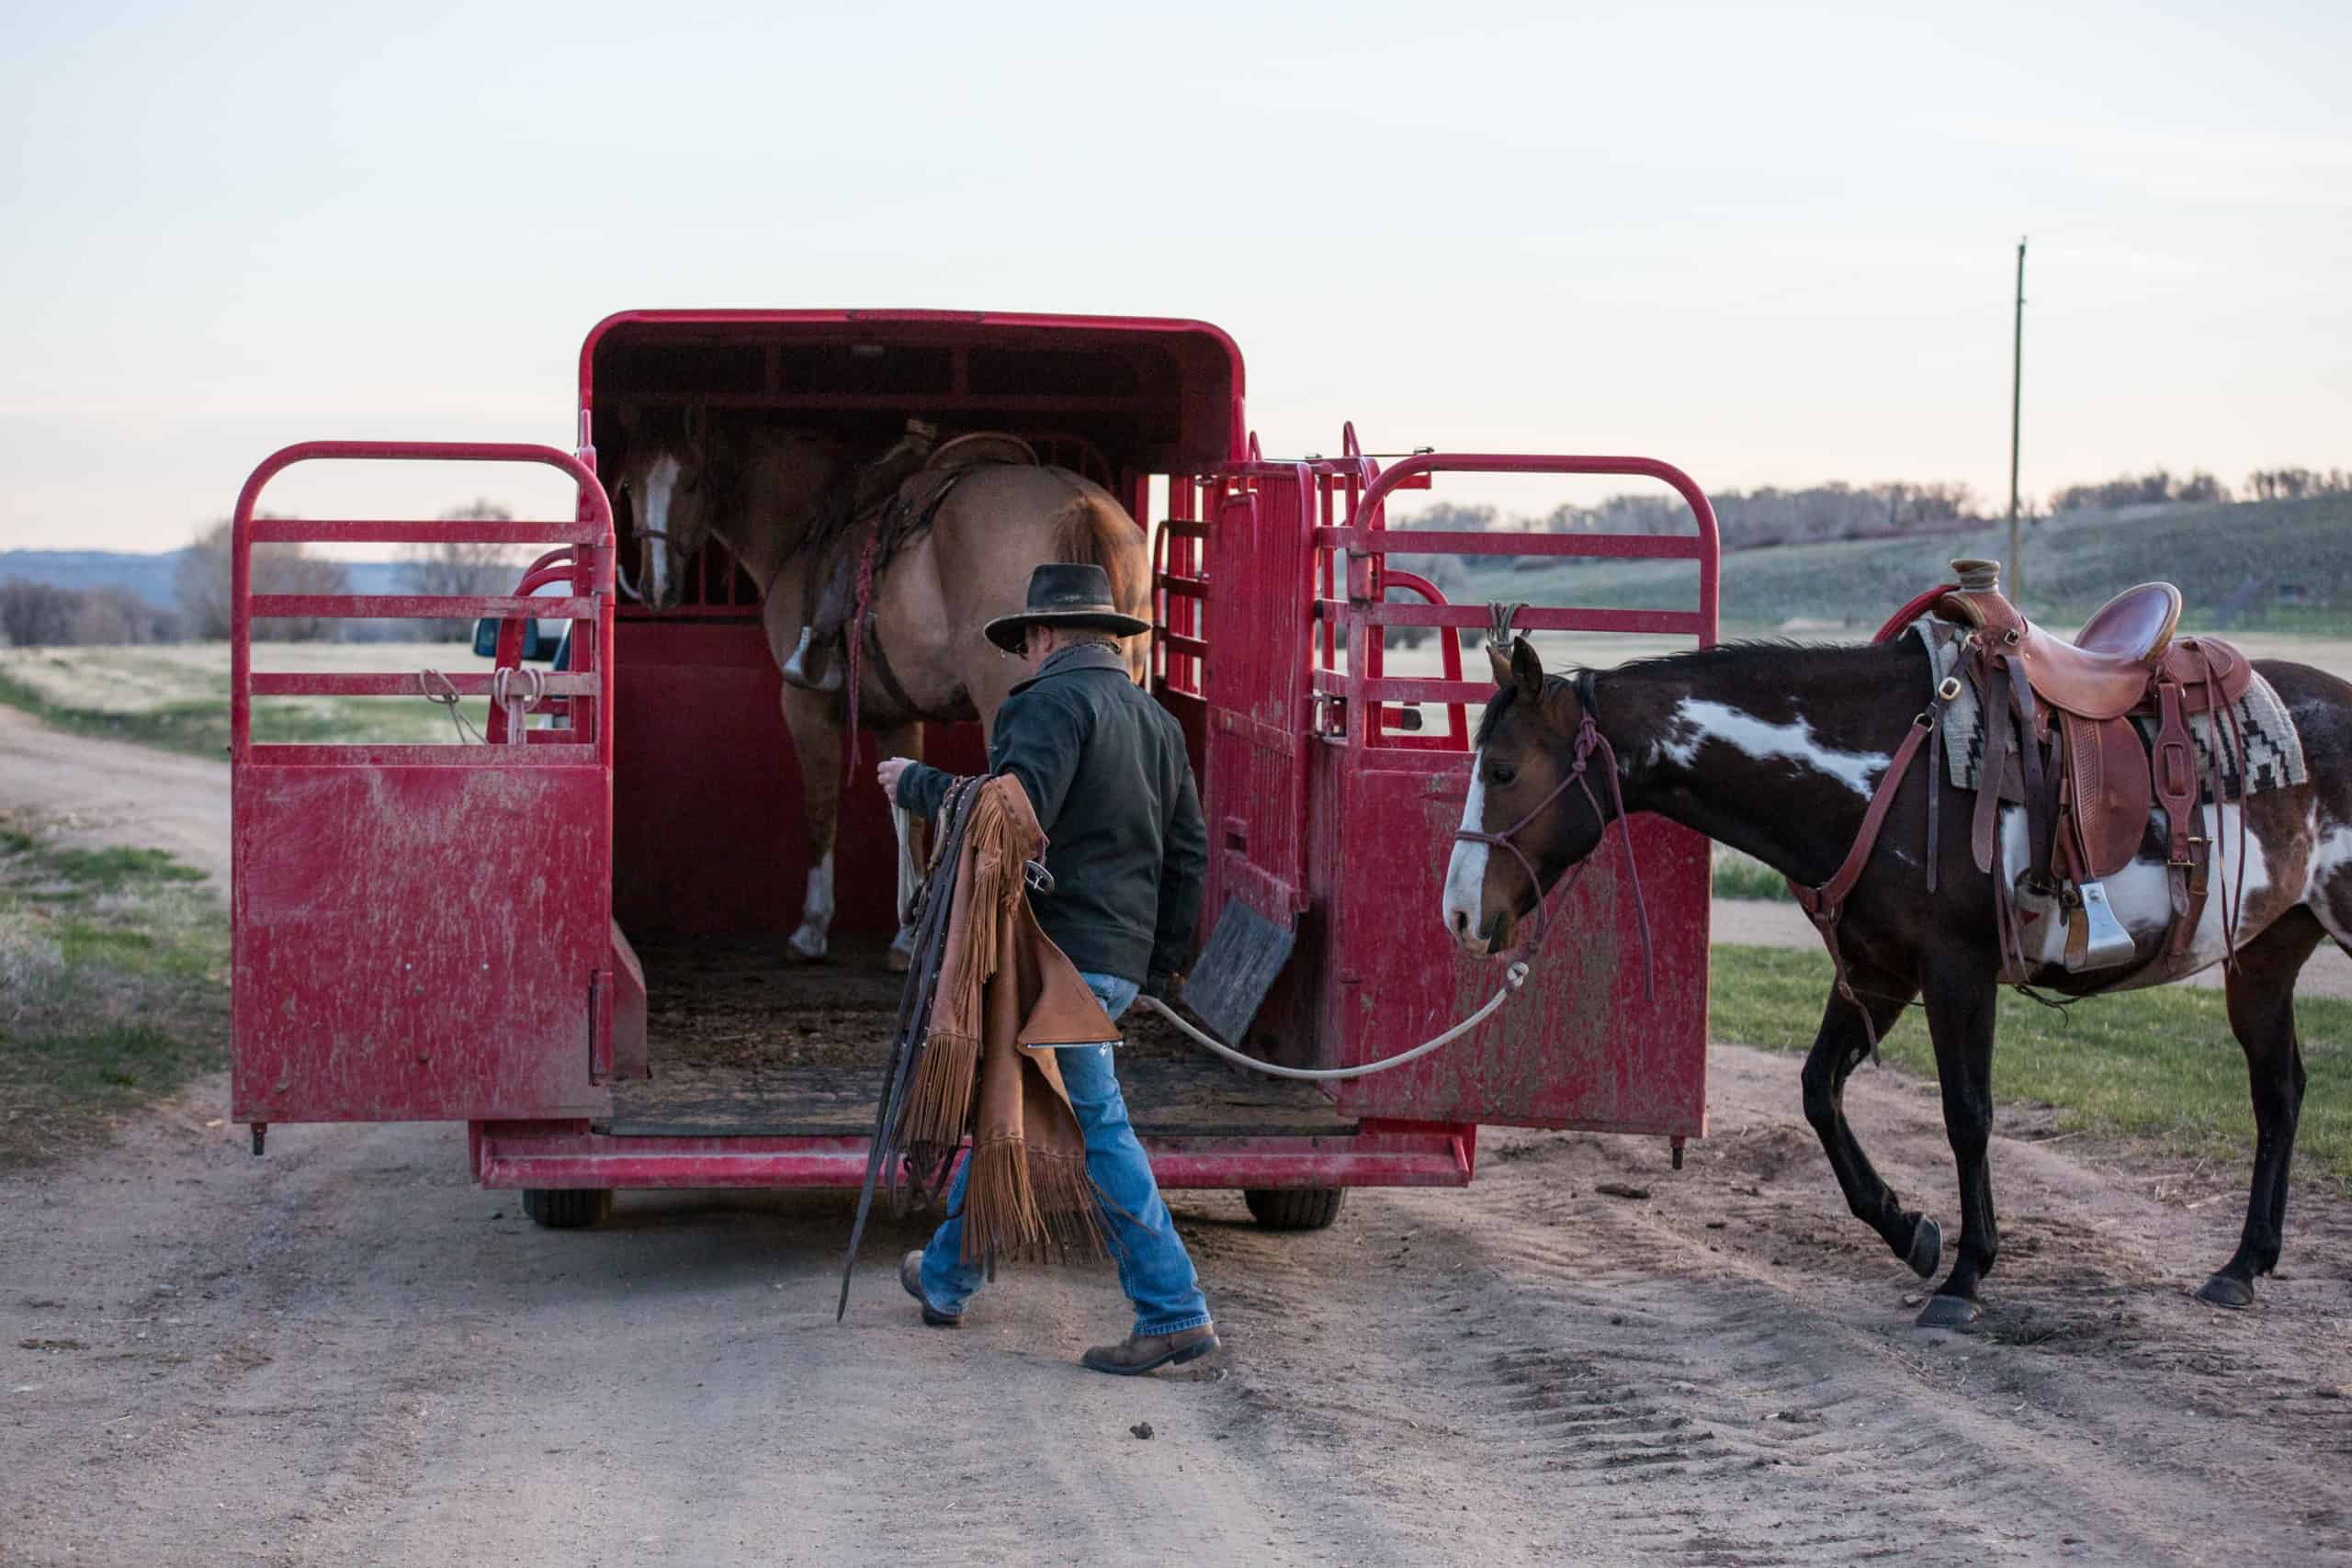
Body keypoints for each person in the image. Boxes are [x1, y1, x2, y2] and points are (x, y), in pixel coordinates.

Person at [876, 561, 1216, 1374]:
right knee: (1013, 1109)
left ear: (1047, 636)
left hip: (1055, 964)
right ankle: (949, 1276)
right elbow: (1190, 856)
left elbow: (1008, 820)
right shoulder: (1157, 723)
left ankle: (1173, 1309)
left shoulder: (1045, 704)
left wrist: (917, 783)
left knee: (1098, 1129)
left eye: (1026, 642)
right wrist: (1159, 966)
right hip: (1116, 965)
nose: (1025, 657)